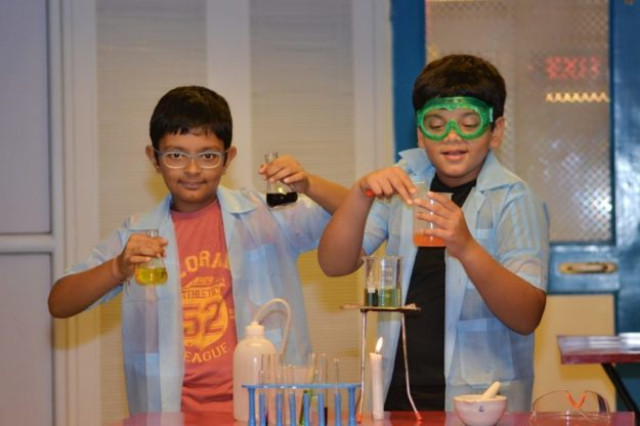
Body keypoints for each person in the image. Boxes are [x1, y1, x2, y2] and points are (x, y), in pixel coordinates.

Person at [48, 85, 348, 414]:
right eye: (176, 155)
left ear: (227, 159)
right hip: (169, 414)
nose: (192, 170)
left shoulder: (266, 216)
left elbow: (360, 215)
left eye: (207, 156)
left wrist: (309, 184)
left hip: (267, 411)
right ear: (154, 158)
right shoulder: (138, 234)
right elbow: (59, 302)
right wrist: (117, 269)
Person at [318, 54, 550, 411]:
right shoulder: (405, 187)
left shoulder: (514, 199)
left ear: (496, 131)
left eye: (469, 123)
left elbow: (526, 316)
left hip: (480, 401)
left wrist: (467, 247)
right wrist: (361, 194)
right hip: (398, 392)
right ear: (420, 134)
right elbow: (334, 264)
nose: (452, 136)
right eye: (436, 123)